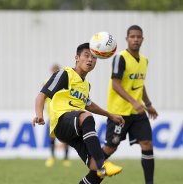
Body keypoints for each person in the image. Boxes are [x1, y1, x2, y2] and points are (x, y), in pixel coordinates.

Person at [33, 43, 125, 184]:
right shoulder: (65, 74)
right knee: (86, 117)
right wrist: (39, 114)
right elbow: (41, 95)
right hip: (61, 122)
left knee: (96, 173)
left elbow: (89, 104)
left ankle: (99, 166)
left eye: (94, 57)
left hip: (76, 127)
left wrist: (110, 115)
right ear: (77, 57)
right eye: (86, 56)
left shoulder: (86, 85)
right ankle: (102, 163)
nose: (90, 60)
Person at [102, 25, 158, 184]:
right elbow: (116, 84)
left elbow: (140, 84)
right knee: (110, 148)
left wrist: (147, 103)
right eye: (132, 36)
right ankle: (93, 170)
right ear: (127, 39)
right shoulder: (120, 58)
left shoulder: (145, 60)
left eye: (138, 37)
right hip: (119, 113)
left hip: (138, 113)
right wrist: (134, 101)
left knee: (147, 144)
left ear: (142, 39)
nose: (135, 39)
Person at [44, 64, 71, 167]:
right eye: (54, 70)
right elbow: (43, 97)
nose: (55, 71)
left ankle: (66, 158)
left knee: (66, 137)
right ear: (51, 71)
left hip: (63, 113)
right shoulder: (46, 82)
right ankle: (52, 157)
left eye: (57, 70)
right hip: (51, 115)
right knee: (52, 137)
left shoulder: (64, 83)